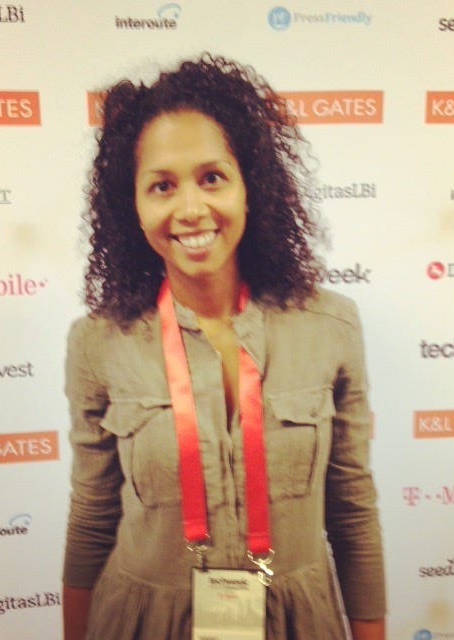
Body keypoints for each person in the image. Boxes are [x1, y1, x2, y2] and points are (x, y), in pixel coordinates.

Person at [63, 53, 386, 640]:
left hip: (295, 621)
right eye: (162, 186)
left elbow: (352, 508)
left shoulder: (331, 327)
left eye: (212, 177)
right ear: (133, 206)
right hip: (145, 622)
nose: (191, 209)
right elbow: (92, 515)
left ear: (249, 187)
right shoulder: (97, 342)